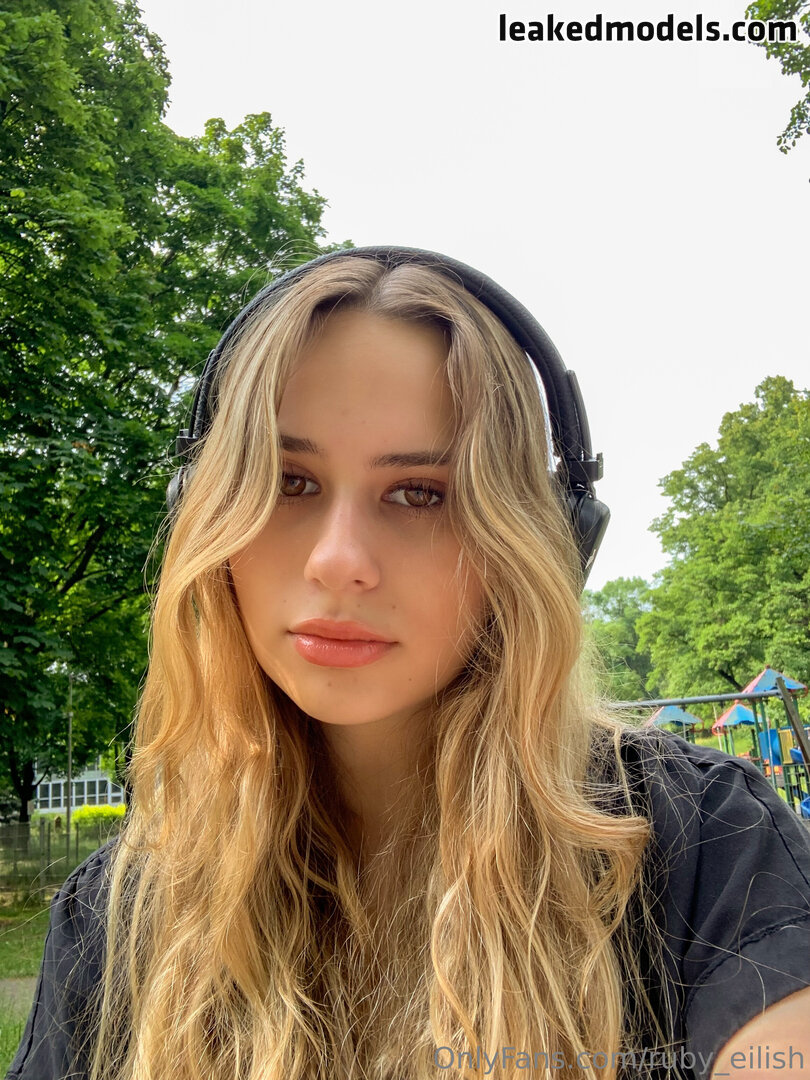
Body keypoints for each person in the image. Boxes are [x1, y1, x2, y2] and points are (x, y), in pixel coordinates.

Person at [7, 248, 810, 1080]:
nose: (337, 561)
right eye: (286, 481)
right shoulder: (119, 912)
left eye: (420, 493)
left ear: (534, 545)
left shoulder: (706, 842)